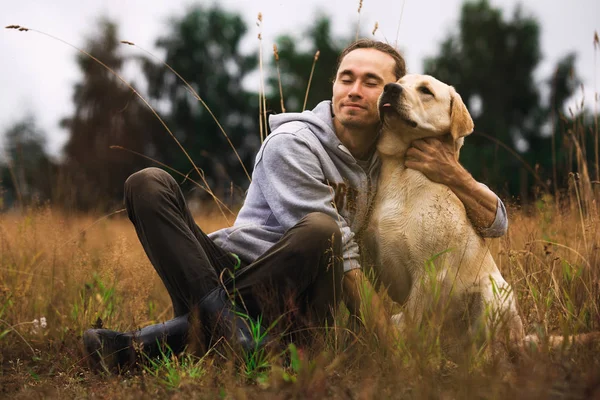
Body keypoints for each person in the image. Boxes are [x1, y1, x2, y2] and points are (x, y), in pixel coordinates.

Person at [83, 39, 507, 372]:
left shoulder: (392, 162)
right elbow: (339, 248)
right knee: (149, 182)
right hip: (228, 271)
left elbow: (496, 224)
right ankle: (234, 334)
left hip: (300, 302)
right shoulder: (294, 143)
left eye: (372, 82)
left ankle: (151, 344)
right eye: (346, 78)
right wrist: (388, 344)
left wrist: (455, 175)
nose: (355, 90)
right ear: (335, 85)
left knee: (322, 237)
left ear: (390, 98)